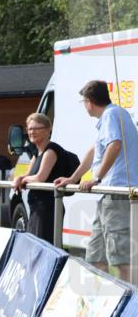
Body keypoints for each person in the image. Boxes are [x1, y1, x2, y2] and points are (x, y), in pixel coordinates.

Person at [54, 80, 138, 280]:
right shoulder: (111, 117)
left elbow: (114, 145)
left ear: (89, 101)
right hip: (107, 198)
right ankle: (102, 302)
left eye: (83, 102)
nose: (84, 106)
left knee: (120, 258)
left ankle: (131, 304)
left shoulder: (111, 115)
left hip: (116, 194)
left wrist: (97, 178)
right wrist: (74, 178)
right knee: (96, 256)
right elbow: (94, 151)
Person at [11, 113, 76, 244]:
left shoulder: (51, 150)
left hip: (48, 208)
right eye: (29, 129)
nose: (31, 132)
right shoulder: (36, 152)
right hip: (36, 208)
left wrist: (22, 180)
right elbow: (28, 175)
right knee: (35, 247)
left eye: (36, 128)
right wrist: (19, 178)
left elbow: (40, 177)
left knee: (45, 247)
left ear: (47, 130)